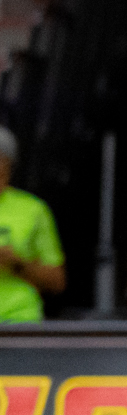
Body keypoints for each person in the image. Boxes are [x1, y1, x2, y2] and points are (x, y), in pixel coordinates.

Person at [0, 127, 65, 323]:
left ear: (9, 166)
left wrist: (16, 263)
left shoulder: (33, 209)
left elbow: (57, 281)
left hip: (18, 320)